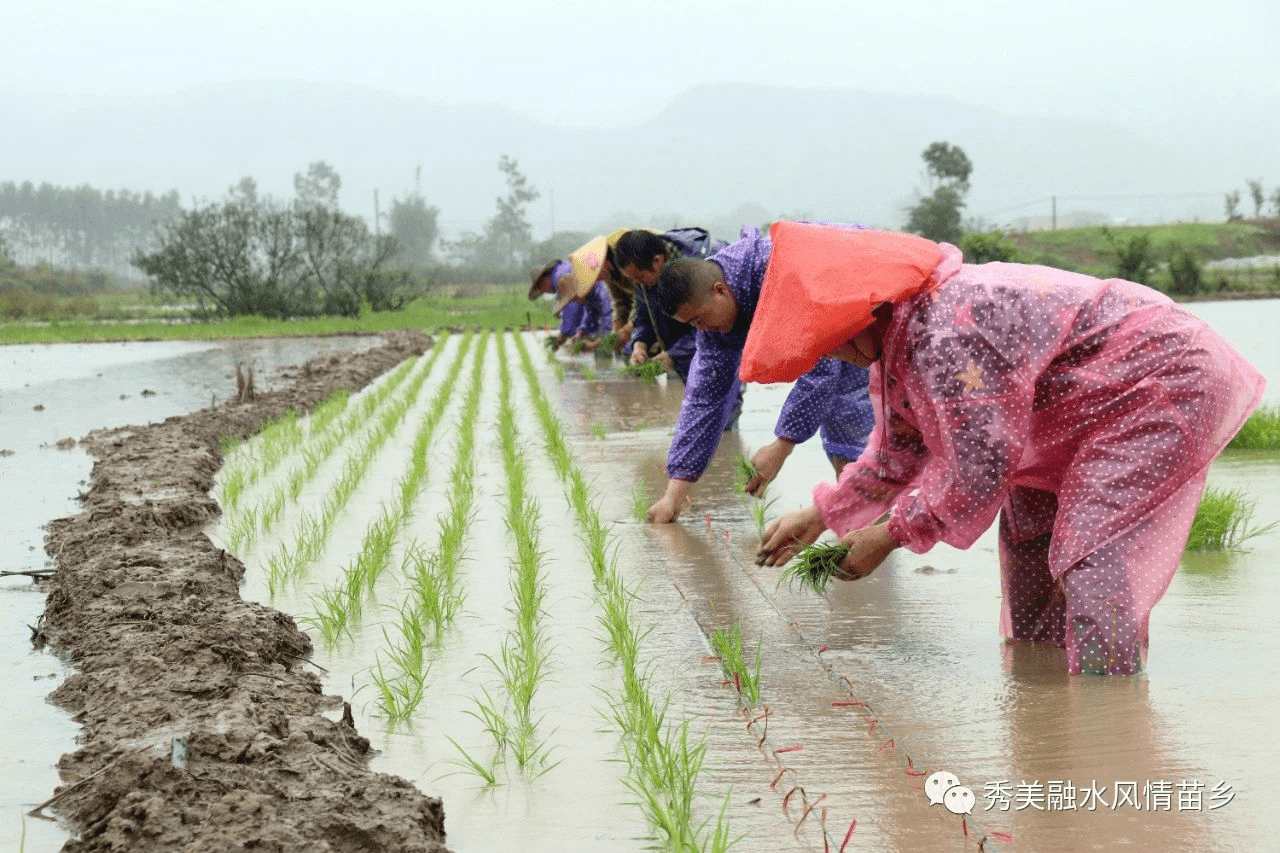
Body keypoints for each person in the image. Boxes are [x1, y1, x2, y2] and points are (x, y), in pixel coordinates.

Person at [749, 220, 1266, 675]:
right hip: (1078, 407)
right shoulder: (899, 344)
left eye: (829, 338)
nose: (834, 352)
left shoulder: (944, 335)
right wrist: (819, 515)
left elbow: (977, 470)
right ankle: (1042, 693)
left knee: (1092, 551)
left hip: (1159, 379)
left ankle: (1108, 710)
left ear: (861, 313)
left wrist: (886, 536)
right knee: (1029, 542)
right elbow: (896, 456)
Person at [645, 225, 876, 522]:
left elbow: (822, 366)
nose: (701, 330)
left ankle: (866, 524)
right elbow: (704, 401)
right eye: (692, 325)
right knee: (846, 411)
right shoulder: (715, 322)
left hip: (861, 293)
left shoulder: (779, 275)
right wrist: (672, 497)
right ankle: (861, 519)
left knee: (848, 407)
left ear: (720, 290)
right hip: (837, 317)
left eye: (700, 319)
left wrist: (782, 445)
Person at [612, 227, 726, 382]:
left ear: (658, 261)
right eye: (634, 279)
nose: (638, 283)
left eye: (639, 277)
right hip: (688, 360)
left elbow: (713, 327)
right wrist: (640, 345)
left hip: (721, 354)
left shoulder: (700, 269)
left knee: (724, 399)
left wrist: (675, 355)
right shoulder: (646, 278)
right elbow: (645, 316)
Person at [532, 236, 613, 350]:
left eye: (541, 288)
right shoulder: (580, 288)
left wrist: (597, 344)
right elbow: (591, 311)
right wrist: (582, 331)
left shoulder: (597, 289)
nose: (544, 291)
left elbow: (609, 316)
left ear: (544, 280)